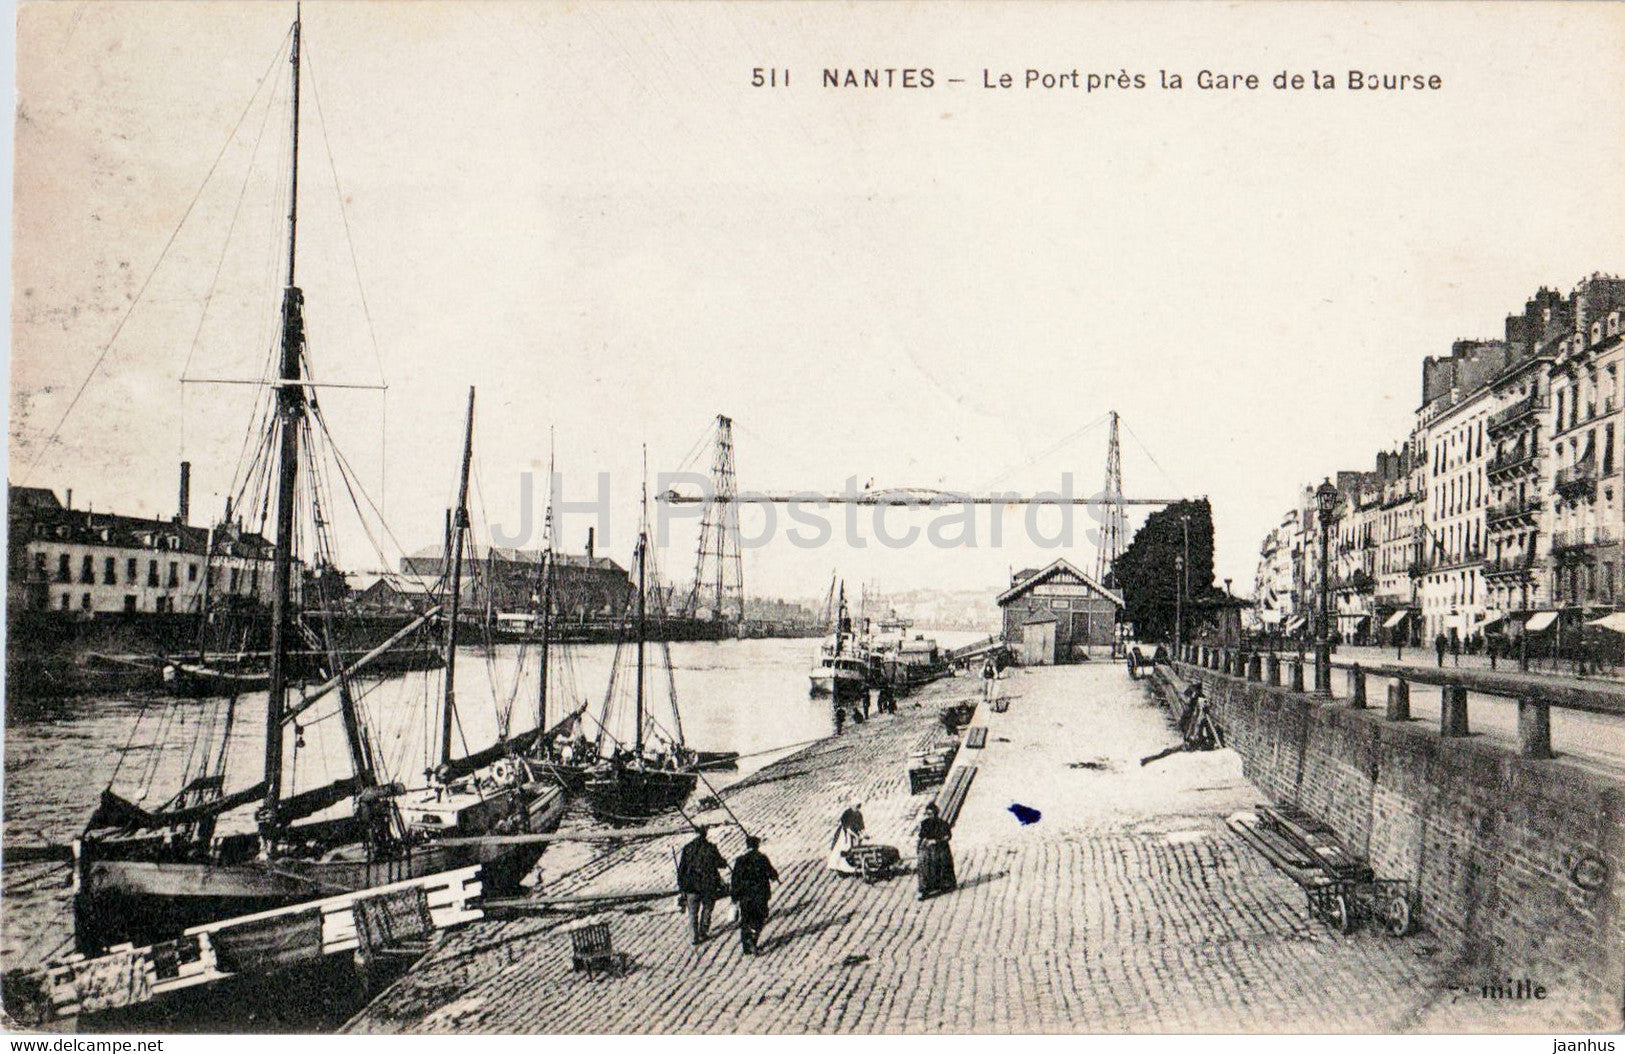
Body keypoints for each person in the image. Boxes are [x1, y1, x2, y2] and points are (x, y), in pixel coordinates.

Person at [675, 826, 729, 945]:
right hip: (708, 886)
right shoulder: (710, 848)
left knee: (693, 913)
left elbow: (681, 869)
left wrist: (681, 886)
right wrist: (724, 862)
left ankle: (694, 937)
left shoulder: (688, 848)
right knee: (707, 909)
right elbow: (720, 863)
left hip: (691, 886)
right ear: (705, 834)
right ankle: (703, 932)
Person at [730, 835, 779, 955]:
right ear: (757, 846)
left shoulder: (740, 860)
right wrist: (775, 877)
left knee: (745, 919)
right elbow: (772, 873)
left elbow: (735, 880)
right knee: (759, 919)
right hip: (759, 895)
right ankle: (753, 939)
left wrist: (734, 897)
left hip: (745, 896)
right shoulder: (762, 858)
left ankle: (746, 947)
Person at [915, 803, 956, 901]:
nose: (930, 816)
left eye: (931, 814)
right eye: (928, 814)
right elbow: (921, 836)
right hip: (928, 848)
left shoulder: (943, 824)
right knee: (924, 863)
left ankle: (944, 884)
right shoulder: (924, 823)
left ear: (936, 814)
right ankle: (925, 889)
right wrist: (919, 847)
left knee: (940, 860)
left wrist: (937, 841)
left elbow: (948, 836)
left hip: (940, 847)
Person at [827, 802, 866, 874]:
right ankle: (842, 866)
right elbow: (847, 827)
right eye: (856, 806)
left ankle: (854, 864)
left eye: (858, 807)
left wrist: (863, 834)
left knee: (855, 848)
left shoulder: (859, 814)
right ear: (852, 806)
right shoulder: (847, 813)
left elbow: (861, 826)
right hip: (845, 834)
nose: (857, 808)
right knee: (844, 848)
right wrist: (856, 835)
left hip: (853, 832)